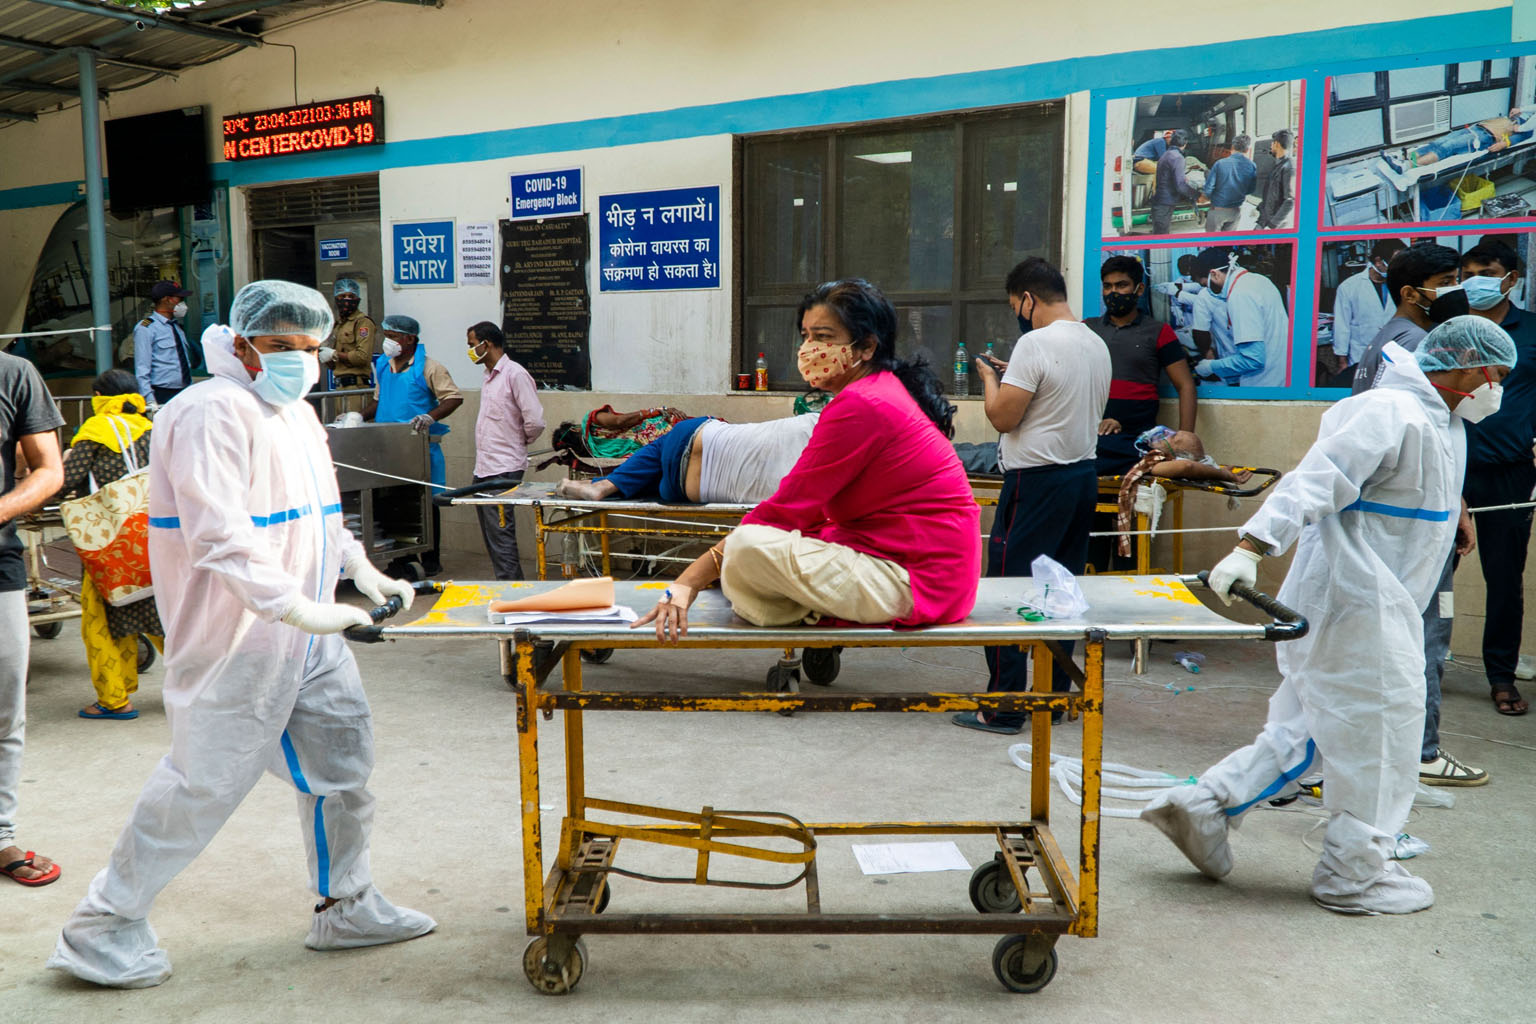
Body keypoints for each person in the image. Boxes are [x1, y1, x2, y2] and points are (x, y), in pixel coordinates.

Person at [49, 281, 432, 988]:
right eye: (281, 345)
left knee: (344, 769)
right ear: (242, 341)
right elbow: (219, 537)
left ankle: (346, 905)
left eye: (309, 347)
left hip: (308, 635)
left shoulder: (296, 415)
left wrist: (359, 569)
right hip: (236, 635)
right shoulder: (207, 411)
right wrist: (297, 608)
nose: (299, 360)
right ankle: (101, 927)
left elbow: (322, 513)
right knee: (201, 784)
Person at [1142, 316, 1516, 915]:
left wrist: (1458, 513)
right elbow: (1316, 479)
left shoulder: (1442, 421)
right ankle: (1353, 873)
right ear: (1468, 368)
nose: (1499, 388)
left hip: (1376, 601)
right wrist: (1251, 547)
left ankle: (1204, 806)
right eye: (1497, 374)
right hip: (1357, 602)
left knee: (1310, 727)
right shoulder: (1389, 411)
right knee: (1384, 733)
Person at [632, 278, 979, 641]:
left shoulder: (862, 403)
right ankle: (798, 604)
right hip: (924, 571)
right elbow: (808, 513)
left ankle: (801, 609)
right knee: (742, 557)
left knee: (746, 547)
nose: (810, 349)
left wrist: (686, 583)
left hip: (918, 580)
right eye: (806, 336)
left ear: (866, 347)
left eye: (824, 337)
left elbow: (786, 511)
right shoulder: (874, 392)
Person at [954, 257, 1110, 735]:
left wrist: (989, 379)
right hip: (1082, 477)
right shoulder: (1095, 343)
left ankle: (1004, 706)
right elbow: (1056, 396)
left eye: (1014, 307)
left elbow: (1003, 417)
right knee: (1059, 590)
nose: (1017, 316)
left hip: (1035, 483)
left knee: (1007, 590)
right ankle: (1053, 698)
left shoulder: (1034, 343)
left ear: (1028, 299)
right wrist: (1015, 375)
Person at [1350, 243, 1484, 785]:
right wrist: (1452, 508)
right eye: (1449, 280)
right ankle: (1422, 752)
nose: (1460, 290)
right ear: (1411, 292)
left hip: (1405, 517)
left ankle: (1387, 748)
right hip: (1417, 523)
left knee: (1398, 636)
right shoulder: (1419, 348)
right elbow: (1429, 441)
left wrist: (1458, 503)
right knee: (1426, 636)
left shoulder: (1386, 341)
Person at [52, 369, 164, 721]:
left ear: (99, 398)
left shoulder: (97, 431)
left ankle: (115, 700)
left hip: (112, 544)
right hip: (155, 540)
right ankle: (207, 687)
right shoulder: (152, 429)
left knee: (101, 620)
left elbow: (67, 480)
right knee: (166, 616)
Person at [1458, 239, 1536, 717]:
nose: (1474, 282)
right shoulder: (1452, 329)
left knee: (1505, 578)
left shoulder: (1532, 331)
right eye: (1467, 273)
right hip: (1450, 469)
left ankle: (1501, 676)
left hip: (1510, 471)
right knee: (1432, 572)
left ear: (1511, 278)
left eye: (1485, 272)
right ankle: (1418, 663)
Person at [0, 348, 64, 887]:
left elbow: (48, 468)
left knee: (5, 711)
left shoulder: (13, 374)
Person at [362, 314, 462, 576]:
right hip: (388, 447)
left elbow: (453, 398)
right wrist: (357, 417)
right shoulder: (383, 365)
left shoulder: (430, 367)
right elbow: (379, 400)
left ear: (409, 339)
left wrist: (430, 417)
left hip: (419, 448)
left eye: (393, 337)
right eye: (386, 336)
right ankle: (402, 560)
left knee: (425, 504)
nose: (387, 342)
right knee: (393, 503)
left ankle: (431, 560)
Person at [1085, 255, 1197, 475]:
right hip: (1092, 439)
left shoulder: (1159, 332)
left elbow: (1185, 386)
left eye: (1121, 285)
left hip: (1138, 441)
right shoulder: (1087, 329)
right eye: (1107, 286)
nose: (1113, 292)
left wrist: (1183, 443)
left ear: (1139, 289)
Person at [555, 413, 820, 504]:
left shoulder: (815, 423)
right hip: (683, 491)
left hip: (689, 442)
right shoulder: (816, 492)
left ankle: (603, 485)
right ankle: (602, 485)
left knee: (669, 444)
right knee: (658, 474)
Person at [466, 321, 544, 580]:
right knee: (492, 533)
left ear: (486, 344)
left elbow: (535, 420)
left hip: (504, 467)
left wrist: (519, 442)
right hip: (485, 466)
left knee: (501, 532)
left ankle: (511, 588)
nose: (470, 351)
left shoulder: (515, 374)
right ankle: (506, 583)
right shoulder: (489, 376)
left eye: (472, 345)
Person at [1351, 242, 1464, 394]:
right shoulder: (1414, 342)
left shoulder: (1390, 335)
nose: (1456, 289)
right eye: (1445, 283)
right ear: (1410, 294)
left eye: (1457, 281)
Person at [1192, 249, 1290, 387]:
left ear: (1214, 274)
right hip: (1282, 375)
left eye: (1205, 285)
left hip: (1263, 383)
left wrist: (1211, 367)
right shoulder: (1259, 280)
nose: (1207, 290)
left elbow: (1253, 360)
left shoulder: (1240, 294)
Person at [1331, 239, 1406, 382]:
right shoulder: (1349, 287)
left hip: (1394, 355)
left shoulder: (1401, 285)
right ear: (1378, 262)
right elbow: (1341, 327)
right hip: (1360, 355)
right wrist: (1342, 361)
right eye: (1396, 263)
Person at [1387, 108, 1536, 170]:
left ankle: (1407, 166)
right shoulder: (1522, 113)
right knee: (1438, 142)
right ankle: (1404, 157)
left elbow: (1516, 139)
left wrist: (1502, 144)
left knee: (1448, 146)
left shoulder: (1527, 129)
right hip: (1475, 128)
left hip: (1485, 137)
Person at [132, 280, 196, 406]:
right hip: (161, 393)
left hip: (184, 391)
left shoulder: (176, 327)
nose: (182, 303)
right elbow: (142, 368)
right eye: (179, 298)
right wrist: (150, 400)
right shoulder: (146, 328)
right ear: (167, 299)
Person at [319, 278, 378, 390]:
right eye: (342, 296)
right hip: (340, 386)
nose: (347, 300)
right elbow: (336, 366)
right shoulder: (339, 325)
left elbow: (362, 357)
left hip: (356, 386)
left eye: (351, 296)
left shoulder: (362, 322)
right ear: (336, 299)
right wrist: (325, 354)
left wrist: (334, 354)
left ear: (357, 299)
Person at [1202, 134, 1258, 233]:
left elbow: (1209, 188)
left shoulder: (1220, 164)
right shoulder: (1252, 165)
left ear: (1232, 147)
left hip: (1217, 210)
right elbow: (1251, 189)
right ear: (1247, 149)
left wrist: (1207, 197)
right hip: (1235, 211)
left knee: (1211, 240)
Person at [1151, 129, 1202, 235]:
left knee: (1160, 233)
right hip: (1165, 203)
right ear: (1185, 143)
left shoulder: (1167, 154)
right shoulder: (1177, 158)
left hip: (1161, 201)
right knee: (1161, 236)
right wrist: (1197, 195)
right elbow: (1180, 185)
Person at [1255, 130, 1296, 230]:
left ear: (1276, 144)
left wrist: (1272, 225)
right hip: (1264, 220)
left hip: (1274, 224)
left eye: (1272, 143)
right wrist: (1260, 208)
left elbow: (1290, 201)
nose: (1271, 146)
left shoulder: (1289, 167)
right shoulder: (1279, 165)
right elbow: (1272, 194)